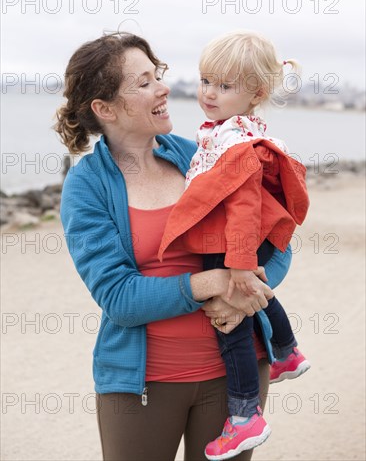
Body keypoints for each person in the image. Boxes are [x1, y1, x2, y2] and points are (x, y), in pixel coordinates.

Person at [55, 32, 292, 461]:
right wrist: (215, 282)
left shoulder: (207, 155)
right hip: (142, 385)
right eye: (144, 82)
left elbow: (278, 244)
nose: (164, 88)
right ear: (104, 108)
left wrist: (241, 298)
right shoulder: (86, 186)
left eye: (157, 74)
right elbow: (120, 298)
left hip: (237, 373)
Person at [158, 31, 311, 460]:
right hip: (238, 240)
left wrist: (239, 267)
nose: (209, 93)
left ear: (255, 93)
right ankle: (286, 351)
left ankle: (245, 416)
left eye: (225, 87)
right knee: (255, 293)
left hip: (233, 241)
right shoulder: (231, 131)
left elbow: (243, 208)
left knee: (232, 325)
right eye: (207, 81)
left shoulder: (236, 144)